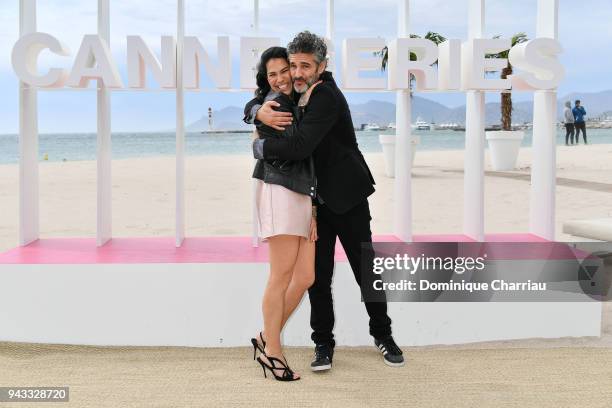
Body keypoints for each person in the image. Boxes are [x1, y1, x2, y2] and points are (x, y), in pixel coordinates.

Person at [245, 31, 404, 371]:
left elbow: (300, 147)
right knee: (317, 276)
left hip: (348, 197)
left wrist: (259, 148)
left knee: (367, 270)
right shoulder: (295, 95)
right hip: (314, 203)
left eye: (305, 66)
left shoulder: (325, 96)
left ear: (322, 66)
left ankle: (384, 335)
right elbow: (262, 96)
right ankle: (323, 345)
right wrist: (257, 110)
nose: (297, 73)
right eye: (293, 65)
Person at [248, 46, 320, 382]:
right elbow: (296, 147)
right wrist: (257, 113)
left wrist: (315, 209)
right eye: (272, 74)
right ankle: (273, 352)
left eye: (283, 71)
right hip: (279, 191)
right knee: (280, 276)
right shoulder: (273, 105)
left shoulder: (295, 102)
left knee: (305, 276)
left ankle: (266, 336)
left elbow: (308, 159)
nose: (280, 79)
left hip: (302, 194)